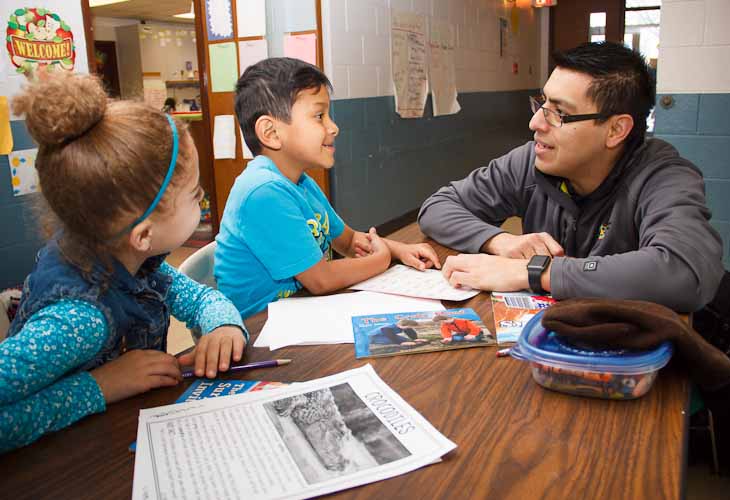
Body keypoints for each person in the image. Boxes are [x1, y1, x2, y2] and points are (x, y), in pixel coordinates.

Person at [0, 73, 248, 452]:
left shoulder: (131, 260)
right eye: (195, 193)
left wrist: (223, 325)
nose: (203, 201)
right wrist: (100, 386)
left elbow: (200, 299)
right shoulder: (78, 319)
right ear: (144, 234)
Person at [418, 42, 723, 313]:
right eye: (542, 104)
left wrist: (537, 272)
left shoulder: (662, 176)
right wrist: (498, 240)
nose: (535, 122)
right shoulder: (531, 161)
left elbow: (686, 272)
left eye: (559, 113)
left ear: (616, 130)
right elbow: (438, 206)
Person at [216, 57, 440, 318]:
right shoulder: (262, 192)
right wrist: (381, 259)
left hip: (302, 311)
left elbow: (347, 241)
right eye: (319, 116)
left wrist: (399, 250)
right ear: (271, 133)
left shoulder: (300, 182)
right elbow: (320, 280)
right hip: (261, 328)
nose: (333, 127)